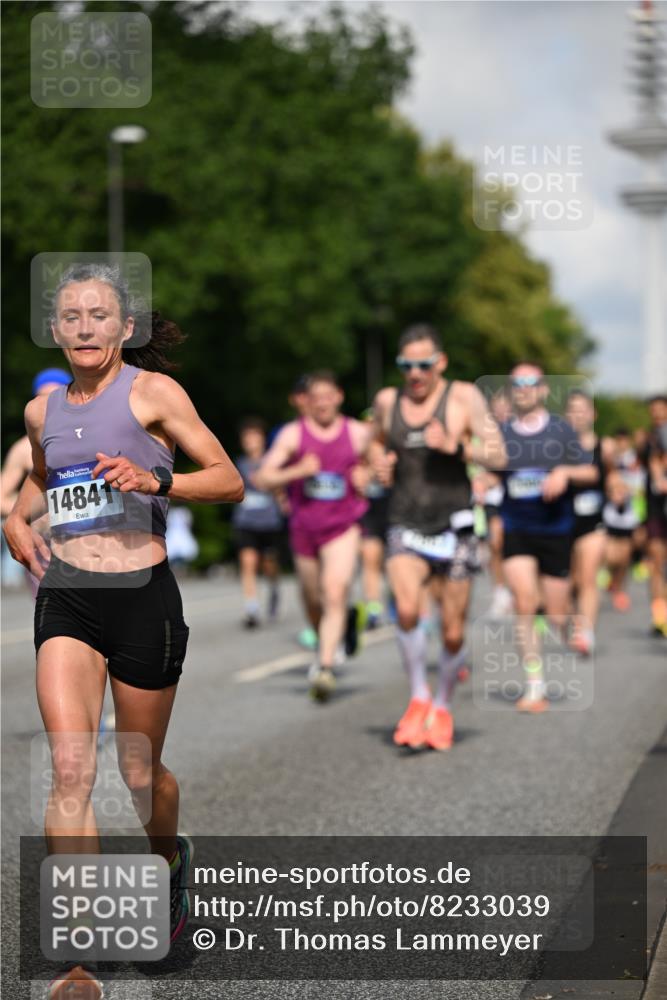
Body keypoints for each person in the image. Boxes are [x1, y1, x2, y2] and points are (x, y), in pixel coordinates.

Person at [3, 264, 243, 997]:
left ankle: (168, 862)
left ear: (124, 328)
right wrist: (16, 517)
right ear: (56, 327)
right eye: (70, 315)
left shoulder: (152, 393)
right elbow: (47, 482)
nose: (82, 327)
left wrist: (156, 482)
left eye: (97, 315)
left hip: (143, 595)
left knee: (140, 774)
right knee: (71, 768)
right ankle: (80, 958)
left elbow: (227, 477)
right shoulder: (41, 412)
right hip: (69, 597)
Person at [372, 323, 506, 750]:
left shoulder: (464, 397)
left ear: (440, 363)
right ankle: (418, 696)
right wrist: (380, 464)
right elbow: (375, 444)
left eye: (423, 365)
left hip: (456, 525)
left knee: (451, 632)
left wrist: (457, 445)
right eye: (406, 365)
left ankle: (442, 705)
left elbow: (499, 453)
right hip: (405, 521)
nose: (415, 373)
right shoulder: (387, 400)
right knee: (407, 610)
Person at [255, 370, 370, 700]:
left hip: (343, 526)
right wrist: (297, 471)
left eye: (328, 395)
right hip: (304, 529)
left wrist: (369, 475)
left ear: (339, 396)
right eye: (315, 397)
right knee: (313, 600)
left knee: (334, 591)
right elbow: (262, 477)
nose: (322, 402)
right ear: (307, 401)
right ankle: (342, 626)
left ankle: (324, 667)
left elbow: (383, 460)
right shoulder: (293, 435)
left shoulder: (358, 433)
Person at [497, 363, 595, 713]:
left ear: (541, 390)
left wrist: (565, 471)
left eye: (531, 382)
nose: (523, 388)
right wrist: (482, 482)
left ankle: (572, 630)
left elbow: (591, 470)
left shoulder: (561, 430)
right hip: (517, 528)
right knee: (525, 601)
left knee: (555, 615)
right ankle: (534, 684)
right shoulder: (501, 433)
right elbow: (490, 474)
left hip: (554, 530)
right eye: (516, 383)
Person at [1, 369, 71, 591]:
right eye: (42, 397)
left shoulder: (91, 436)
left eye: (54, 396)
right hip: (46, 547)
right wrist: (32, 513)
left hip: (94, 541)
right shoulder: (23, 449)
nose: (48, 404)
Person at [232, 417, 284, 627]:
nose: (251, 441)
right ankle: (251, 608)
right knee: (248, 562)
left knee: (269, 564)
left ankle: (273, 589)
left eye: (255, 436)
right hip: (246, 521)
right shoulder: (239, 464)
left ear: (263, 439)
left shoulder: (273, 462)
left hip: (269, 521)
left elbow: (280, 489)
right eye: (247, 437)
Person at [565, 389, 606, 655]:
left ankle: (586, 631)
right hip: (563, 522)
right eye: (573, 410)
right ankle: (574, 623)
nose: (578, 415)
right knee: (570, 581)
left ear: (593, 414)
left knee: (588, 578)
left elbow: (603, 476)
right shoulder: (556, 448)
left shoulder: (604, 446)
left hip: (593, 523)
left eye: (583, 410)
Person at [641, 395, 667, 634]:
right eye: (654, 411)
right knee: (656, 562)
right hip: (656, 509)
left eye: (662, 410)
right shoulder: (648, 441)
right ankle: (660, 618)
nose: (657, 414)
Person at [603, 470, 642, 610]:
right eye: (616, 491)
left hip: (626, 535)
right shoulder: (606, 505)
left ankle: (619, 589)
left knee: (624, 558)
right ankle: (610, 578)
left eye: (622, 490)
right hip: (610, 535)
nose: (620, 494)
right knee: (612, 556)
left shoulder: (632, 505)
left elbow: (637, 523)